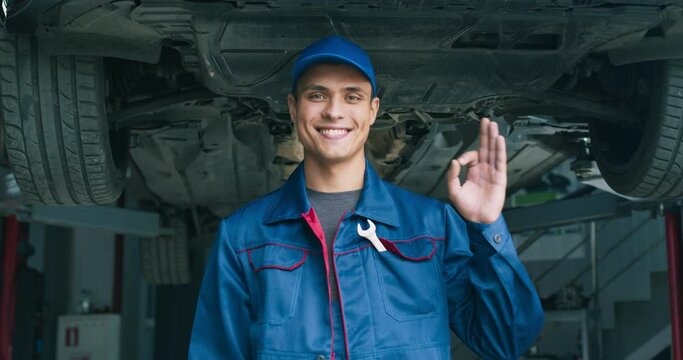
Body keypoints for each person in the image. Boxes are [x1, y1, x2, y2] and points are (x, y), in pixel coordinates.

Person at [189, 35, 544, 360]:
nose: (334, 111)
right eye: (317, 95)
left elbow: (505, 340)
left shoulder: (431, 226)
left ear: (372, 111)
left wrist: (487, 228)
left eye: (352, 96)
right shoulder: (243, 236)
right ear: (294, 108)